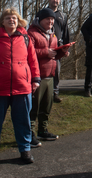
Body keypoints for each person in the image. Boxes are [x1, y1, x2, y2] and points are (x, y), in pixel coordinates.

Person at [0, 8, 41, 167]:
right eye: (8, 18)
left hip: (22, 88)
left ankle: (25, 151)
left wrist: (35, 80)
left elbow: (33, 61)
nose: (11, 20)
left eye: (14, 18)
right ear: (2, 22)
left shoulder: (26, 39)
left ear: (18, 21)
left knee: (23, 122)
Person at [28, 8, 68, 146]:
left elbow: (53, 55)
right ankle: (30, 134)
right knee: (34, 107)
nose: (51, 22)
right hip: (37, 77)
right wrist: (46, 52)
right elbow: (29, 51)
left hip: (50, 76)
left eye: (52, 20)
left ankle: (42, 130)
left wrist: (62, 52)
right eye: (48, 19)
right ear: (40, 20)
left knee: (46, 106)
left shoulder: (53, 34)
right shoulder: (31, 33)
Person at [47, 0, 70, 103]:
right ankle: (43, 93)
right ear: (49, 0)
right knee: (44, 70)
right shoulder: (43, 13)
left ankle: (55, 93)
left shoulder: (63, 15)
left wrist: (67, 48)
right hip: (45, 46)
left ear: (59, 1)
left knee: (57, 71)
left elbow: (66, 33)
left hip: (59, 47)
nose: (55, 1)